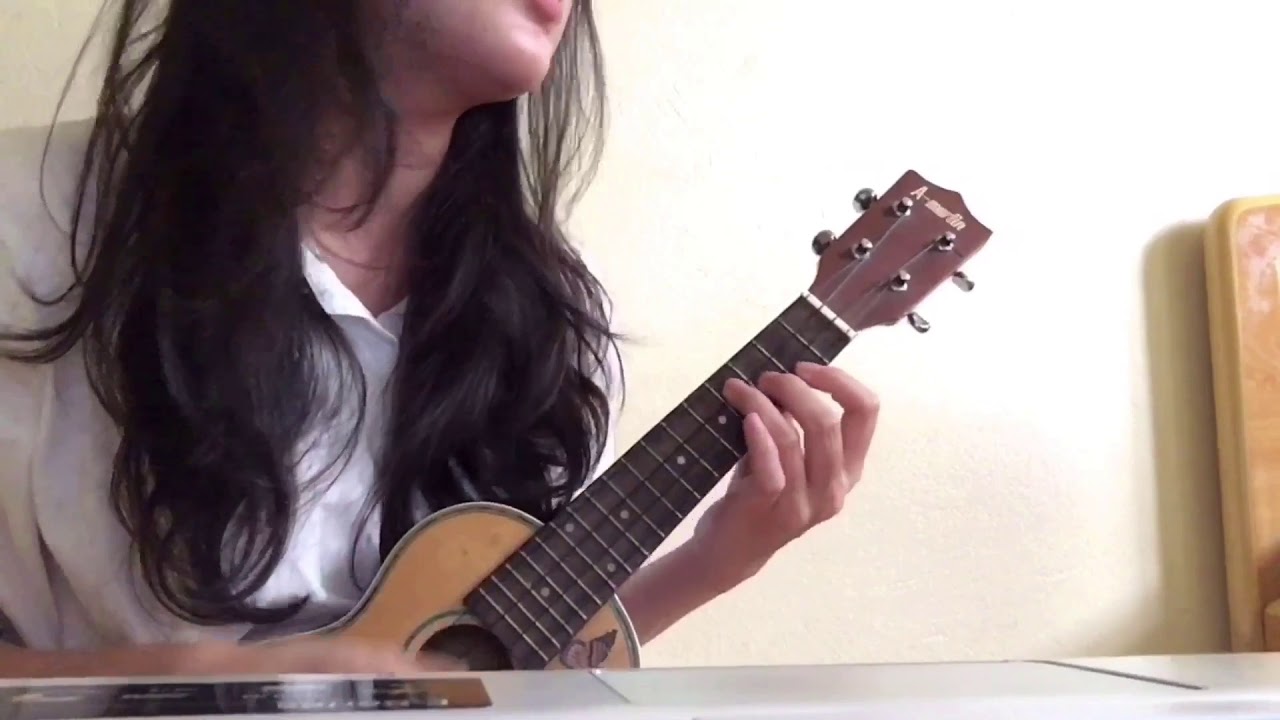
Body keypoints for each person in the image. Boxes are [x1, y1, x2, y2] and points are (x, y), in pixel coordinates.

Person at [0, 0, 880, 678]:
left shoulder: (557, 328)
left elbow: (488, 670)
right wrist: (208, 685)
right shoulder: (30, 226)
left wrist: (712, 562)